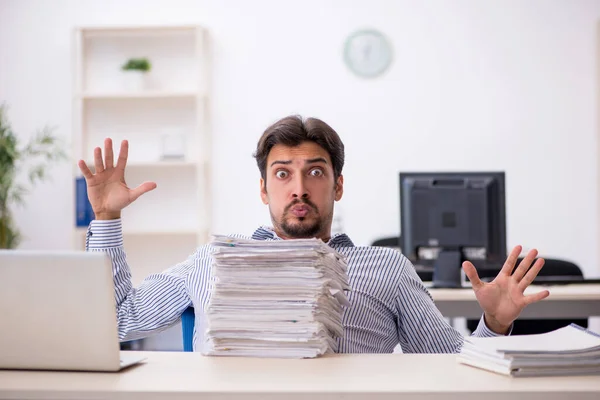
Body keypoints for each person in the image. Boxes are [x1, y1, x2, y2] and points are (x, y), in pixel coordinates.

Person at [78, 115, 549, 353]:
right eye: (282, 174)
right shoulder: (214, 261)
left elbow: (453, 368)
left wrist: (496, 325)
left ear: (338, 185)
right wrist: (105, 221)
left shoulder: (385, 267)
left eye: (315, 172)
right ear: (263, 190)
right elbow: (119, 321)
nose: (299, 189)